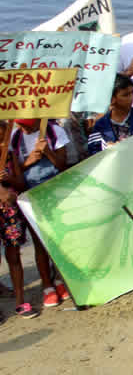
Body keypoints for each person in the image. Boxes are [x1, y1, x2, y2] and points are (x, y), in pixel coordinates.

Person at [6, 119, 71, 308]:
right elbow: (17, 174)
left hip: (55, 190)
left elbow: (62, 164)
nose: (24, 128)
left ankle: (60, 279)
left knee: (59, 236)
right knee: (39, 241)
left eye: (27, 125)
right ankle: (47, 286)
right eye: (21, 125)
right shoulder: (14, 138)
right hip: (31, 194)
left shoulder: (53, 131)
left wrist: (47, 152)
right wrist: (29, 161)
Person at [1, 130, 39, 317]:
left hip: (10, 213)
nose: (1, 141)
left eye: (2, 137)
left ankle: (20, 301)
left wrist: (9, 180)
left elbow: (21, 184)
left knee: (14, 256)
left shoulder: (9, 155)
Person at [86, 75, 133, 156]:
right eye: (125, 95)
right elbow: (94, 153)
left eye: (132, 93)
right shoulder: (100, 125)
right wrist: (107, 149)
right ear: (111, 99)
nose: (131, 97)